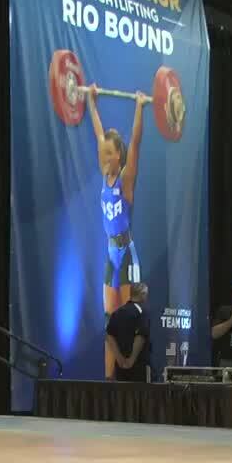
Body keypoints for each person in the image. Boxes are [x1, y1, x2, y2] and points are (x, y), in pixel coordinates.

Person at [87, 84, 152, 377]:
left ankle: (129, 378)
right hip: (110, 252)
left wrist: (139, 106)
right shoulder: (105, 175)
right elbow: (98, 132)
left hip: (126, 252)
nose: (103, 155)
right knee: (109, 322)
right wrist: (91, 100)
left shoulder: (125, 180)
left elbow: (136, 143)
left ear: (118, 156)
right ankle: (107, 383)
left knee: (126, 320)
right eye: (103, 152)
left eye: (108, 153)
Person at [106, 282, 150, 381]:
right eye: (146, 294)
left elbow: (109, 336)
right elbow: (140, 336)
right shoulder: (142, 312)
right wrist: (131, 360)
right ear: (142, 294)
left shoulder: (117, 312)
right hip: (139, 366)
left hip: (120, 367)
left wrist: (119, 359)